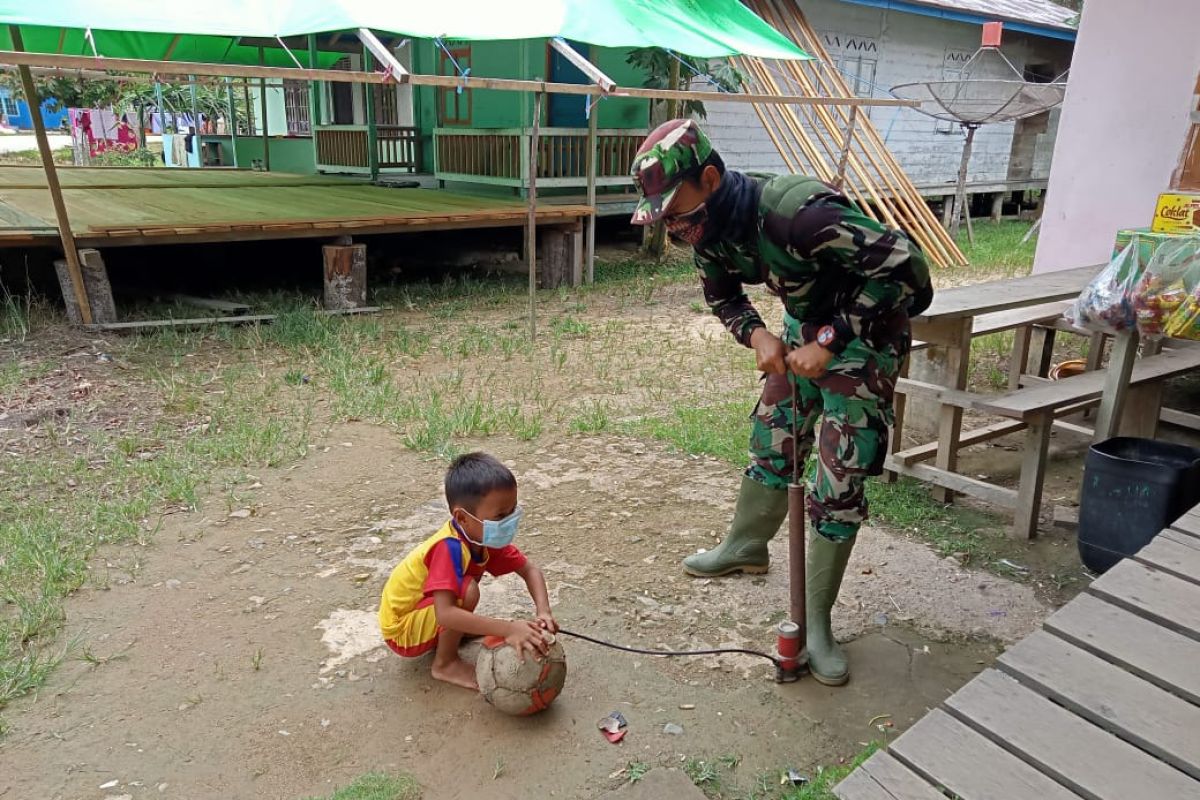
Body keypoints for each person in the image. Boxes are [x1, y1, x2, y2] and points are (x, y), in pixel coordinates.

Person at [629, 119, 932, 685]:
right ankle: (745, 546)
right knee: (773, 436)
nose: (671, 227)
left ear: (711, 178)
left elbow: (908, 272)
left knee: (840, 475)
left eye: (675, 212)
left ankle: (815, 621)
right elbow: (723, 295)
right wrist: (759, 336)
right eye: (662, 217)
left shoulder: (801, 214)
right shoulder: (704, 230)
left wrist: (831, 340)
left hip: (865, 336)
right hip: (804, 329)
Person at [378, 452, 557, 690]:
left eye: (513, 511)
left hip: (423, 613)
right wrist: (508, 628)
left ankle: (451, 639)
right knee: (467, 592)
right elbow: (446, 615)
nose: (509, 521)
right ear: (462, 518)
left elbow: (529, 569)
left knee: (464, 592)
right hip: (402, 630)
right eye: (500, 516)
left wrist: (543, 611)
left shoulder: (481, 538)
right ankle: (445, 663)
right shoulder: (448, 547)